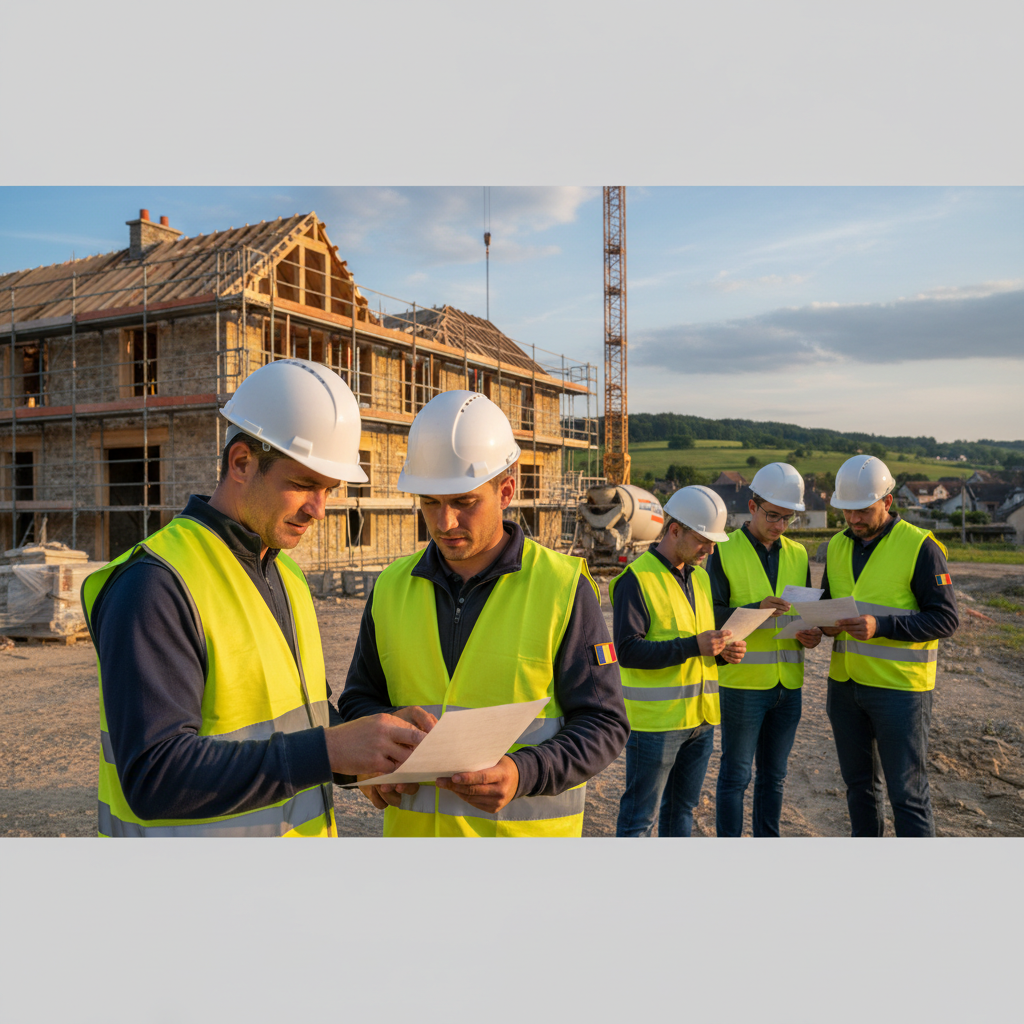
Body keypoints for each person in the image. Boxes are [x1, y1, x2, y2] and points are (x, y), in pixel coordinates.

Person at [82, 359, 428, 837]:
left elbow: (289, 720)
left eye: (328, 489)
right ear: (241, 462)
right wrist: (330, 751)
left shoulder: (286, 574)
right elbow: (154, 776)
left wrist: (369, 746)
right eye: (304, 484)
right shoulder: (156, 584)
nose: (319, 509)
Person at [338, 390, 629, 837]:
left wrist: (524, 772)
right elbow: (359, 698)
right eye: (430, 502)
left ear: (506, 490)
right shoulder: (391, 587)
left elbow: (604, 722)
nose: (444, 523)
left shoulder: (561, 586)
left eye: (464, 502)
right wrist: (371, 756)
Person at [820, 454, 959, 837]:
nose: (853, 520)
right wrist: (822, 625)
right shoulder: (835, 546)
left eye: (862, 511)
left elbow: (946, 619)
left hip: (900, 691)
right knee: (859, 790)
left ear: (888, 501)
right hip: (846, 688)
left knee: (907, 795)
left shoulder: (921, 548)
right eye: (846, 511)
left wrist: (880, 625)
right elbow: (831, 602)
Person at [611, 485, 746, 837]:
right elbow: (627, 651)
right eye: (704, 540)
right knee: (639, 819)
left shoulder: (700, 577)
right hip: (655, 726)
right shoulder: (635, 579)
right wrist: (693, 646)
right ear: (675, 530)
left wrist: (723, 654)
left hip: (700, 720)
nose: (710, 549)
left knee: (681, 812)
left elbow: (700, 644)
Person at [705, 462, 822, 838]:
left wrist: (811, 632)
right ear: (752, 507)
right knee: (736, 775)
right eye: (773, 515)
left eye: (788, 519)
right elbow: (710, 612)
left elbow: (803, 611)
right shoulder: (724, 551)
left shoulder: (799, 554)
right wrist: (757, 607)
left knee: (774, 777)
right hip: (743, 684)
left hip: (789, 685)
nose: (780, 525)